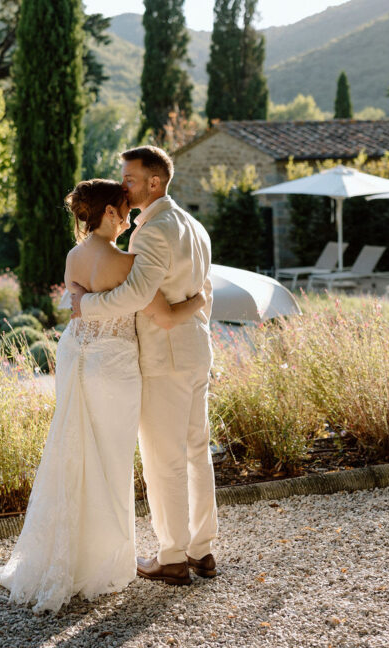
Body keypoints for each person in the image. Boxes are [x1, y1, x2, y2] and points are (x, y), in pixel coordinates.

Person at [0, 178, 205, 613]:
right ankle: (103, 562)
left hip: (75, 356)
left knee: (73, 451)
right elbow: (165, 315)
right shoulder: (125, 263)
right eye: (123, 210)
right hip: (113, 366)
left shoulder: (73, 255)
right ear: (106, 213)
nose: (127, 218)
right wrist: (199, 300)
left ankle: (66, 555)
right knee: (111, 461)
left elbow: (78, 302)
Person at [71, 146, 217, 588]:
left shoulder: (152, 232)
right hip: (195, 352)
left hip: (164, 358)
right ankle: (202, 549)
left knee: (163, 461)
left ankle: (172, 557)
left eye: (130, 179)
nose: (125, 187)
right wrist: (188, 308)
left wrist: (86, 304)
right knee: (197, 453)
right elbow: (203, 288)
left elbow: (136, 294)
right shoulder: (194, 226)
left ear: (154, 182)